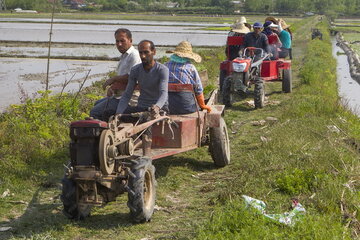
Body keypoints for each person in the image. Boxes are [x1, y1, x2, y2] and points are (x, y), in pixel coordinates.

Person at [116, 40, 169, 156]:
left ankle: (146, 156)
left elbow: (163, 93)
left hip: (159, 108)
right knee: (110, 114)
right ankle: (121, 147)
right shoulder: (136, 70)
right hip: (141, 107)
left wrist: (157, 106)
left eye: (146, 52)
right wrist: (118, 114)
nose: (143, 56)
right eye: (141, 53)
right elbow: (127, 94)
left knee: (146, 120)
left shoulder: (162, 70)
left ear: (154, 52)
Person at [90, 28, 141, 121]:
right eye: (117, 41)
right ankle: (108, 128)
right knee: (97, 103)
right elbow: (124, 78)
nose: (119, 44)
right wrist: (114, 87)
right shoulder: (124, 56)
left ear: (130, 41)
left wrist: (113, 79)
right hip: (120, 95)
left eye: (122, 41)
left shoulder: (134, 55)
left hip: (129, 99)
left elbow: (132, 78)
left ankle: (100, 134)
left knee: (95, 112)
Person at [165, 41, 211, 114]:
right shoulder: (191, 68)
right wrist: (203, 105)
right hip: (187, 108)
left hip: (167, 107)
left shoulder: (165, 66)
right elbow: (198, 90)